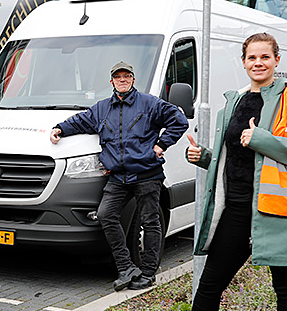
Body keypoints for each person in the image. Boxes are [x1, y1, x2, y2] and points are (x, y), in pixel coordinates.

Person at [172, 33, 287, 311]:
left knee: (286, 290)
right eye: (252, 57)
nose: (258, 63)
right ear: (243, 62)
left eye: (265, 57)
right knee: (210, 283)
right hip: (237, 208)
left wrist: (262, 139)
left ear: (276, 60)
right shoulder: (234, 102)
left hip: (278, 209)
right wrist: (204, 157)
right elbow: (233, 158)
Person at [50, 61, 188, 291]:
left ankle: (148, 273)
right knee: (106, 214)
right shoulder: (102, 108)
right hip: (118, 177)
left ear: (133, 80)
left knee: (150, 221)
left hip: (146, 174)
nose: (122, 80)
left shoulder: (150, 103)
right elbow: (81, 121)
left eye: (127, 76)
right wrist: (60, 129)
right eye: (118, 77)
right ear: (111, 81)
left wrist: (162, 144)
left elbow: (179, 120)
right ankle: (126, 267)